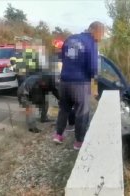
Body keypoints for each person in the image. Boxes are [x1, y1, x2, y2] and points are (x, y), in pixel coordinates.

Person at [52, 21, 105, 150]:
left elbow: (62, 57)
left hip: (64, 81)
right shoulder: (91, 43)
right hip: (79, 83)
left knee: (64, 109)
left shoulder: (70, 38)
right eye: (102, 33)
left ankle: (58, 135)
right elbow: (93, 68)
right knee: (82, 111)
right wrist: (95, 86)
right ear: (95, 31)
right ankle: (79, 142)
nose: (102, 37)